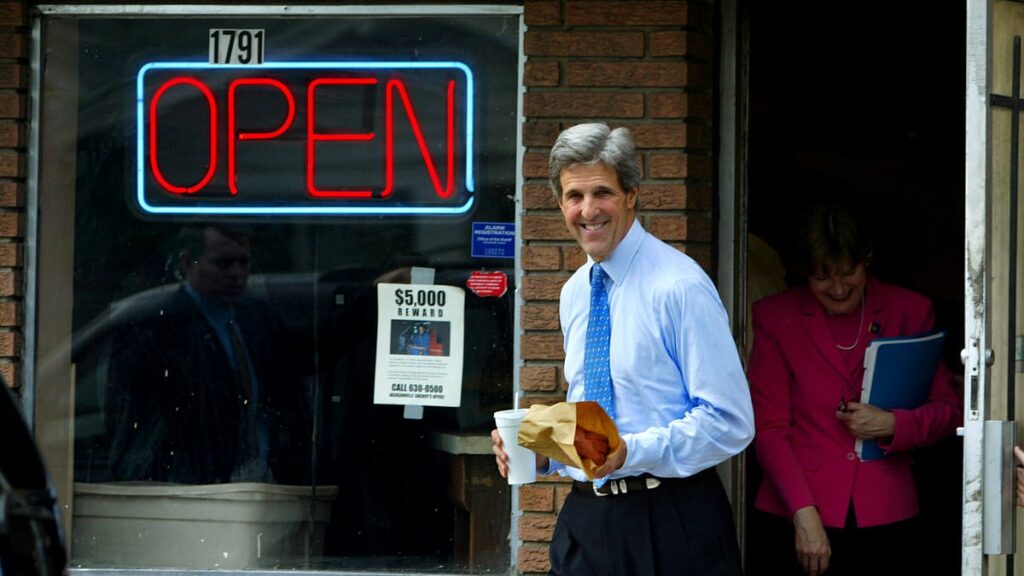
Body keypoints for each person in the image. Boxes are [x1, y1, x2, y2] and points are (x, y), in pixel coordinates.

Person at [491, 123, 755, 575]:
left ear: (632, 195)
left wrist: (631, 450)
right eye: (574, 196)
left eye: (602, 193)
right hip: (586, 523)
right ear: (560, 204)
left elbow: (731, 421)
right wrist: (545, 452)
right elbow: (592, 421)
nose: (588, 210)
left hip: (671, 521)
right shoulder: (575, 291)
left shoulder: (680, 286)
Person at [746, 204, 961, 576]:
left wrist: (894, 424)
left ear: (867, 259)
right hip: (796, 506)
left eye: (849, 272)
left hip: (886, 508)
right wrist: (803, 513)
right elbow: (770, 428)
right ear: (804, 271)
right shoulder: (775, 317)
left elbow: (950, 410)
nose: (839, 288)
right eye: (823, 277)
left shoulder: (909, 310)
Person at [106, 224, 310, 484]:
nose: (236, 273)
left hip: (260, 478)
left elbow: (293, 375)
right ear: (187, 263)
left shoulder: (257, 319)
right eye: (223, 264)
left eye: (244, 263)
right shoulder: (162, 330)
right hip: (196, 484)